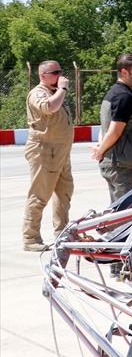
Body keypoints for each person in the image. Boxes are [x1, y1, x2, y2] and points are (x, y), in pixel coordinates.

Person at [23, 60, 73, 251]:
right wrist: (62, 90)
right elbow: (50, 108)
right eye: (55, 72)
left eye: (61, 71)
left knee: (64, 193)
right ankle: (30, 238)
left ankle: (62, 233)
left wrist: (59, 91)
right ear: (43, 76)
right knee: (39, 194)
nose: (60, 75)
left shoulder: (55, 92)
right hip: (44, 151)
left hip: (61, 151)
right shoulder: (38, 93)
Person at [92, 53, 132, 202]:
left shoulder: (116, 93)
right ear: (124, 72)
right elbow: (115, 130)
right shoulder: (124, 97)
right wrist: (100, 151)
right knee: (127, 216)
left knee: (119, 212)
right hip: (124, 167)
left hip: (121, 164)